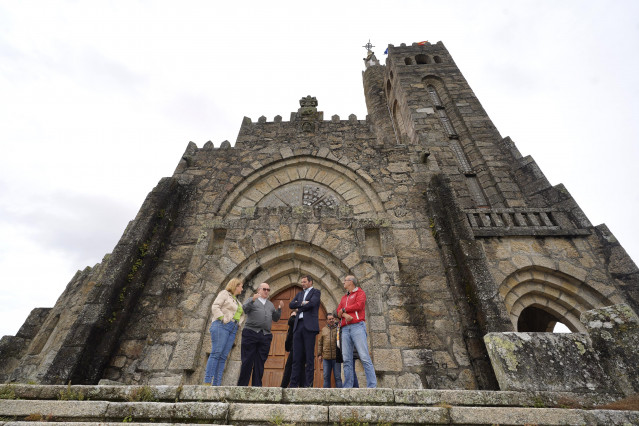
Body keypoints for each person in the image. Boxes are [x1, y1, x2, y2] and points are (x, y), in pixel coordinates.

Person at [237, 282, 282, 386]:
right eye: (264, 289)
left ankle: (257, 386)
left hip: (265, 335)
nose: (266, 291)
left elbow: (275, 318)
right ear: (259, 290)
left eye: (268, 290)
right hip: (251, 333)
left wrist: (279, 309)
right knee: (247, 360)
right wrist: (252, 300)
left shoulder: (270, 304)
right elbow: (245, 309)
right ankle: (242, 386)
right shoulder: (252, 299)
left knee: (260, 362)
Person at [336, 275, 377, 388]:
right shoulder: (344, 297)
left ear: (351, 282)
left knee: (364, 357)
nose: (343, 282)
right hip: (345, 328)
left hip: (357, 327)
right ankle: (348, 386)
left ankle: (372, 386)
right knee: (347, 359)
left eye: (345, 280)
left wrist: (344, 310)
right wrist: (344, 314)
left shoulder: (360, 293)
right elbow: (337, 310)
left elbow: (359, 305)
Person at [204, 278, 245, 386]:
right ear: (235, 286)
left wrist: (238, 323)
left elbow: (241, 315)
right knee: (216, 353)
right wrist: (223, 318)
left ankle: (216, 384)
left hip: (233, 329)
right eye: (241, 286)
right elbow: (215, 306)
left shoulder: (237, 301)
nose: (242, 288)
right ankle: (207, 383)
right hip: (221, 325)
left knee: (223, 357)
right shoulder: (225, 294)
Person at [288, 275, 321, 387]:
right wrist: (302, 303)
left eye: (305, 282)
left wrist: (299, 307)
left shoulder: (316, 292)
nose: (302, 284)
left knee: (309, 357)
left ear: (310, 282)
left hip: (309, 327)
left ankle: (308, 384)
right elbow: (291, 304)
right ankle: (293, 383)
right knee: (296, 357)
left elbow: (312, 304)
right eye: (301, 282)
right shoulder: (300, 294)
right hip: (298, 326)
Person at [318, 312, 342, 388]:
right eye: (330, 319)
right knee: (326, 377)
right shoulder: (324, 329)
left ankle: (340, 396)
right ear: (327, 320)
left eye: (332, 319)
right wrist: (319, 354)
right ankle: (325, 396)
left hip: (336, 357)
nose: (331, 320)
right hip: (326, 358)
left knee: (338, 377)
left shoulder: (338, 328)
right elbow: (320, 343)